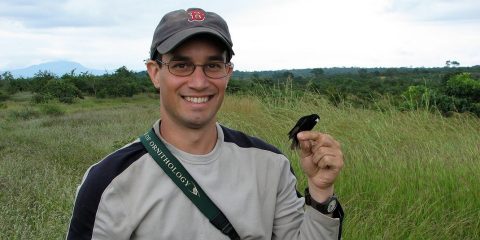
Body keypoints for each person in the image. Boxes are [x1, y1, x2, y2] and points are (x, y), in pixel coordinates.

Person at [67, 8, 344, 240]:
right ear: (155, 73)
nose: (199, 82)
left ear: (228, 73)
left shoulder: (270, 165)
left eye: (213, 65)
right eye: (181, 65)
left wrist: (320, 193)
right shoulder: (109, 181)